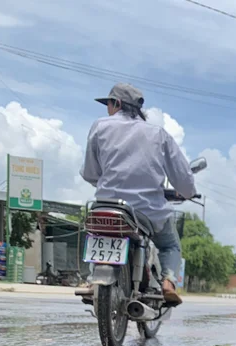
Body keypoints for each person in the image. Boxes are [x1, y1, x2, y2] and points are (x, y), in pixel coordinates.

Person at [81, 83, 196, 305]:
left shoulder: (99, 126)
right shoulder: (158, 134)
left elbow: (90, 172)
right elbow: (184, 182)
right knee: (170, 245)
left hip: (107, 207)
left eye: (109, 104)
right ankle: (168, 282)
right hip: (148, 212)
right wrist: (187, 193)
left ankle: (93, 279)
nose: (108, 110)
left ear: (117, 104)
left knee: (99, 236)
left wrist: (107, 182)